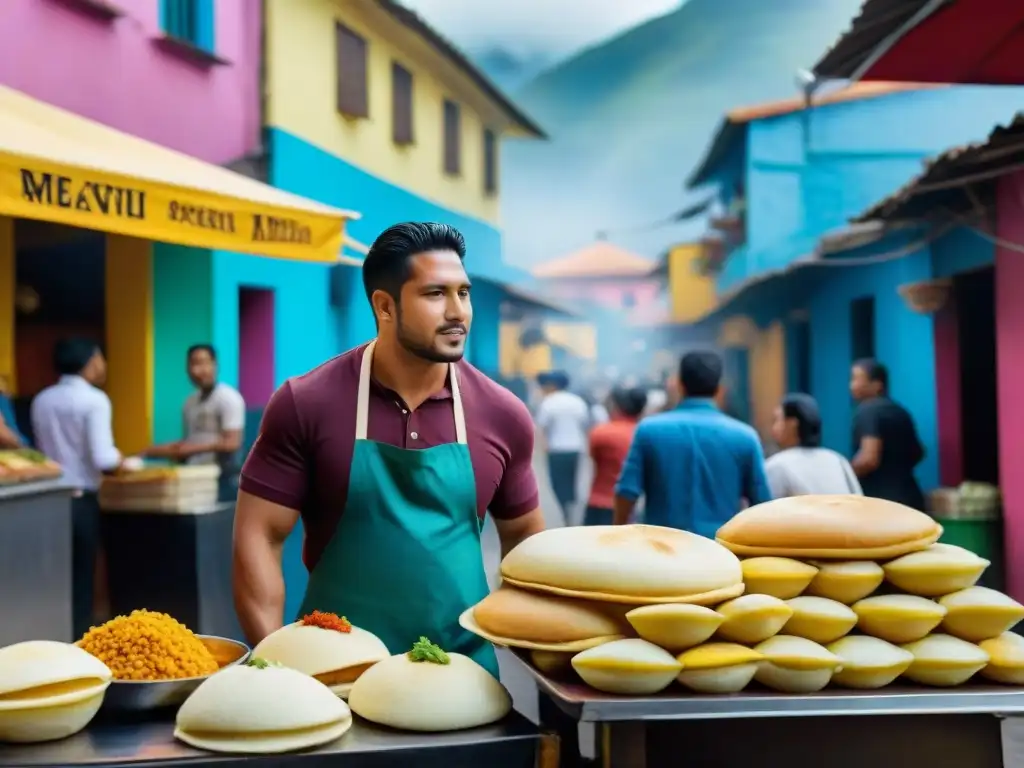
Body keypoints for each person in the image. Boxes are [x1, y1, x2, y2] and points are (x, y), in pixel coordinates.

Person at [233, 222, 544, 677]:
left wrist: (525, 640)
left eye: (464, 292)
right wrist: (276, 664)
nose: (458, 311)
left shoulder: (502, 413)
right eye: (436, 294)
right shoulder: (307, 402)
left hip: (462, 674)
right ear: (385, 306)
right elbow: (259, 535)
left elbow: (526, 542)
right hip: (332, 675)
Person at [613, 350, 771, 537]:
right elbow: (762, 505)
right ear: (720, 389)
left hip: (661, 549)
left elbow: (627, 492)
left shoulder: (649, 429)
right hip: (721, 550)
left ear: (679, 384)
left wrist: (620, 532)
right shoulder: (745, 436)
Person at [31, 339, 124, 637]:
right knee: (82, 578)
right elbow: (103, 458)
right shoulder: (95, 400)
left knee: (52, 577)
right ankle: (78, 645)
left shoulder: (42, 399)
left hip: (48, 499)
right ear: (90, 361)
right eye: (100, 358)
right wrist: (124, 459)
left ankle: (51, 638)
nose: (103, 365)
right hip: (82, 500)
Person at [146, 345, 245, 502]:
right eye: (194, 364)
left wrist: (192, 449)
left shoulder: (229, 398)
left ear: (215, 365)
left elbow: (232, 442)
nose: (199, 370)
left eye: (204, 363)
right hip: (193, 479)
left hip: (221, 480)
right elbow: (188, 442)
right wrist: (151, 451)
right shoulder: (189, 403)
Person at [850, 358, 926, 510]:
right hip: (910, 498)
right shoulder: (901, 411)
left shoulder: (868, 410)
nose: (852, 385)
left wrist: (844, 475)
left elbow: (869, 459)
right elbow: (919, 452)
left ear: (877, 385)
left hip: (882, 503)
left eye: (857, 379)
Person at [765, 393, 861, 498]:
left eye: (777, 420)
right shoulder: (837, 460)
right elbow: (859, 501)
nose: (773, 428)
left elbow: (762, 509)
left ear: (793, 423)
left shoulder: (777, 466)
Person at [584, 386, 647, 526]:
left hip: (599, 502)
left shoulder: (601, 432)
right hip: (632, 507)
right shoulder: (644, 434)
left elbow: (594, 458)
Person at [535, 370, 590, 524]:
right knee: (571, 479)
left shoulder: (548, 402)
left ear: (552, 386)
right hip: (575, 448)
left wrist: (543, 447)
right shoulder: (577, 402)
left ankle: (565, 507)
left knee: (557, 482)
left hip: (556, 449)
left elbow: (541, 428)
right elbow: (585, 425)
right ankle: (570, 505)